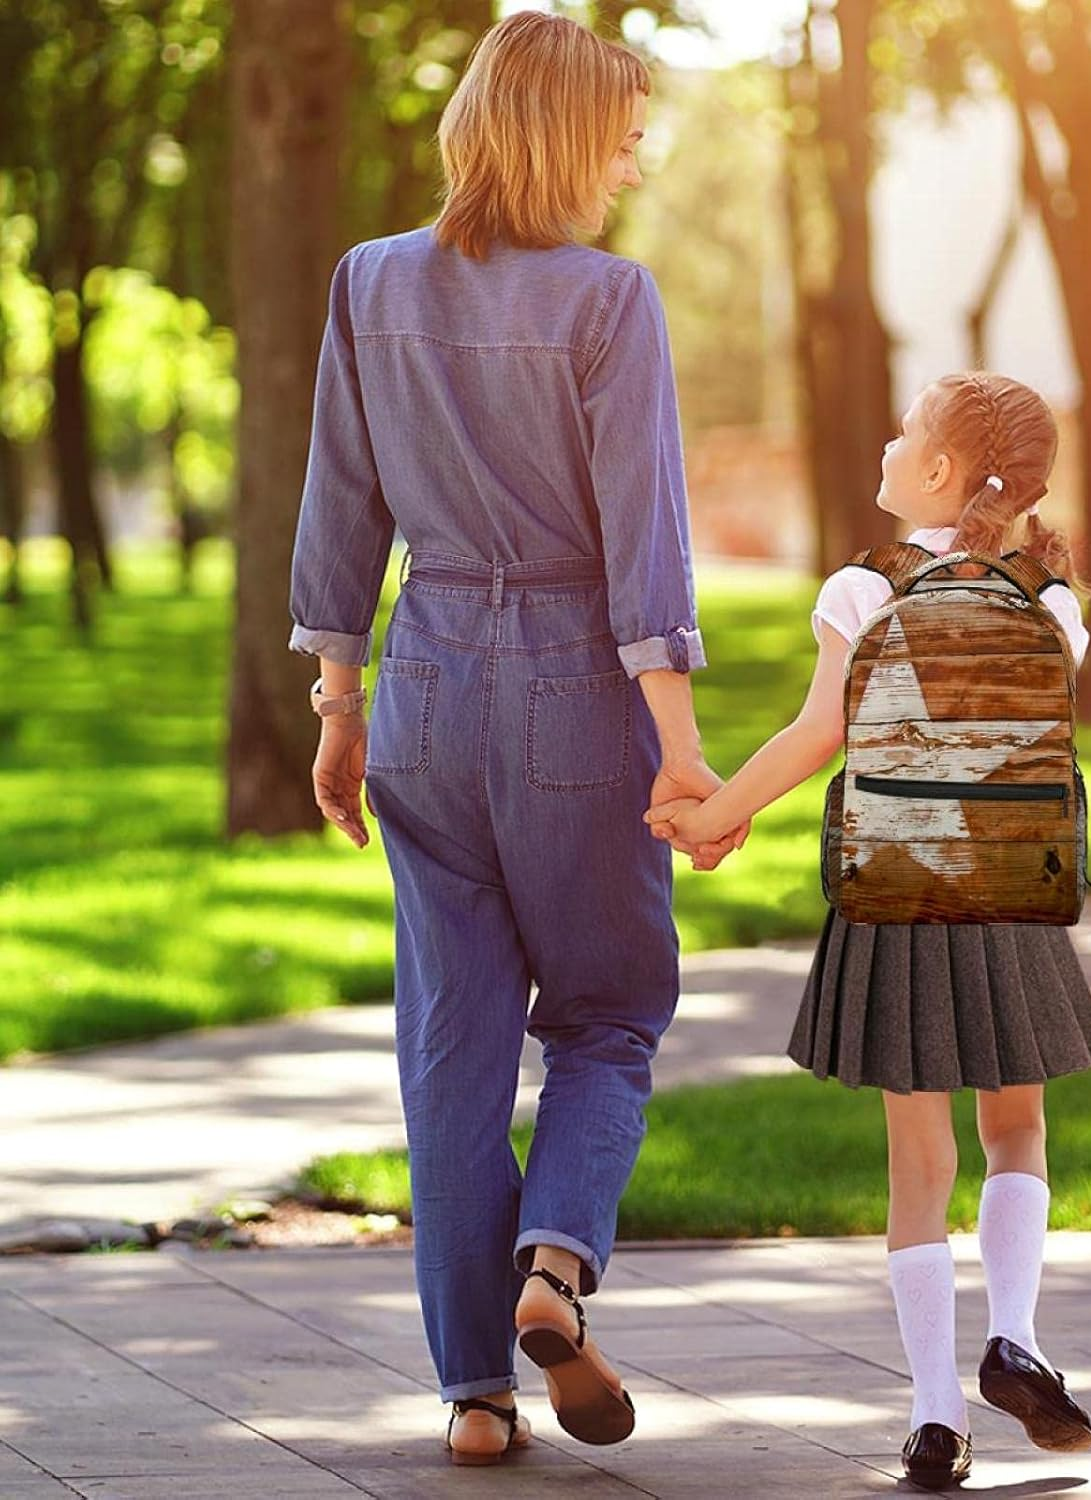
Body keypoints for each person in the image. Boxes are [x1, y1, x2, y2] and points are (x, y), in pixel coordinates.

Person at [286, 12, 747, 1467]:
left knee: (453, 1045)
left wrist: (340, 706)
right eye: (620, 140)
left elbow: (340, 507)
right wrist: (682, 750)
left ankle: (474, 1395)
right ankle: (556, 1266)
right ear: (560, 138)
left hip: (424, 683)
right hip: (573, 689)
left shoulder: (368, 281)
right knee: (610, 1013)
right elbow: (645, 544)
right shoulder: (611, 300)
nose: (631, 166)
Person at [645, 372, 1091, 1491]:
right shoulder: (1052, 599)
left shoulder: (865, 587)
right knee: (1017, 1130)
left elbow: (819, 731)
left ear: (941, 470)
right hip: (1013, 893)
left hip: (896, 893)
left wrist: (715, 816)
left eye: (905, 433)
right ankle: (1017, 1337)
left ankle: (935, 1416)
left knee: (919, 1163)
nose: (888, 446)